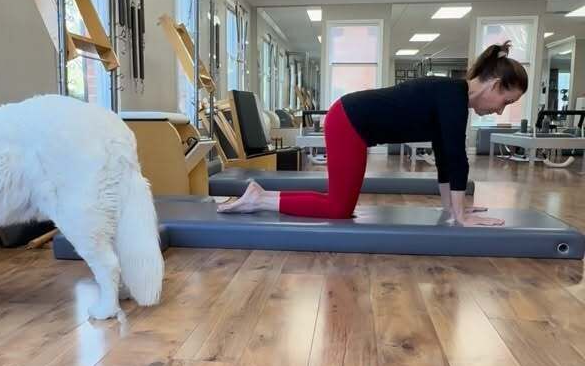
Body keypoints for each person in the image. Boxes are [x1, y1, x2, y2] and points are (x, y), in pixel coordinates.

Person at [219, 41, 527, 227]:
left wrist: (453, 210)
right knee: (339, 208)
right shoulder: (453, 97)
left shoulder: (453, 99)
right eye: (506, 101)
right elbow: (457, 158)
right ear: (494, 85)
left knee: (339, 205)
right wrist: (461, 217)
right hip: (348, 121)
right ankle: (260, 200)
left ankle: (261, 196)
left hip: (350, 120)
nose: (501, 111)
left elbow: (446, 157)